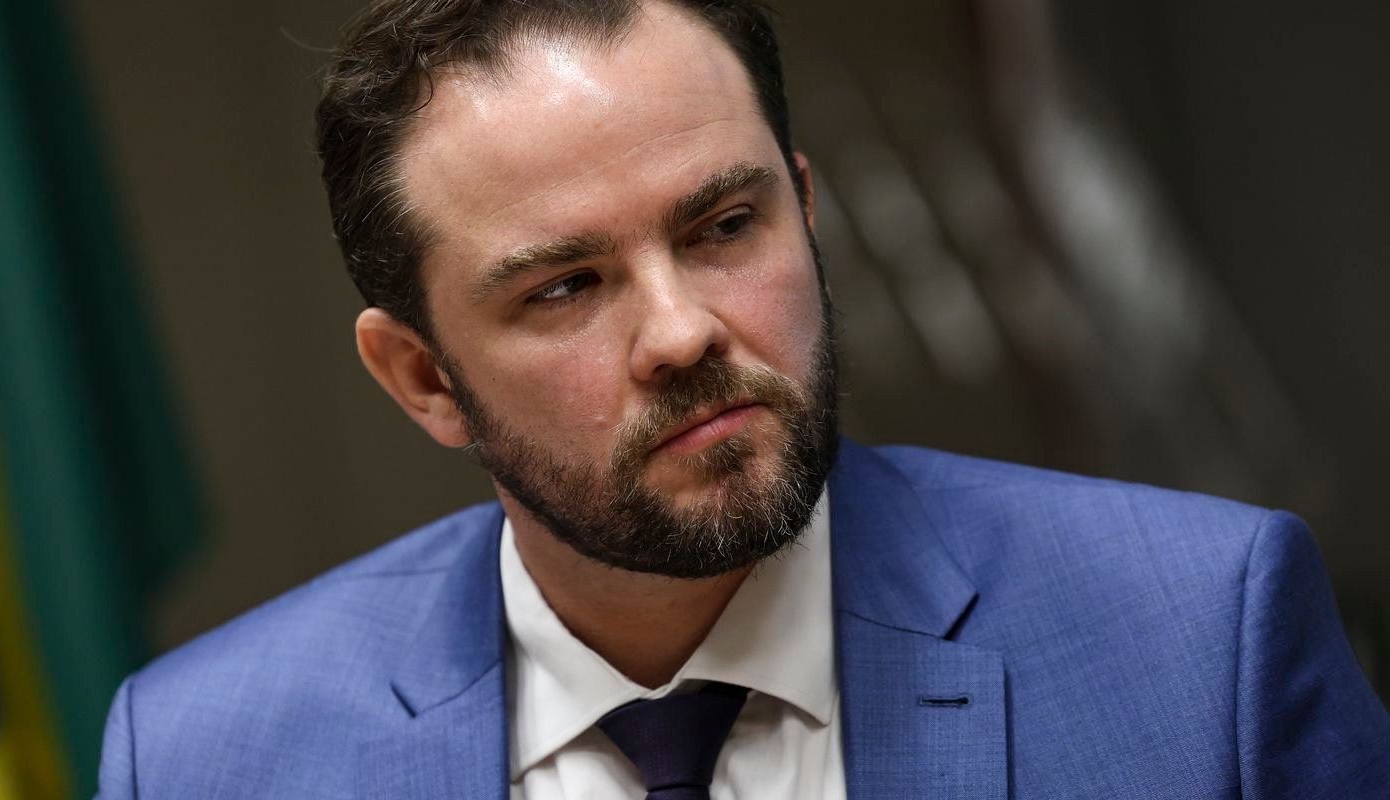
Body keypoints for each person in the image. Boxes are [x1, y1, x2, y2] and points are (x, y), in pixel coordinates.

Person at [95, 1, 1390, 797]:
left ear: (806, 212)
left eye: (723, 227)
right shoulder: (208, 760)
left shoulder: (1199, 646)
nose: (681, 333)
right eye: (565, 287)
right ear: (425, 378)